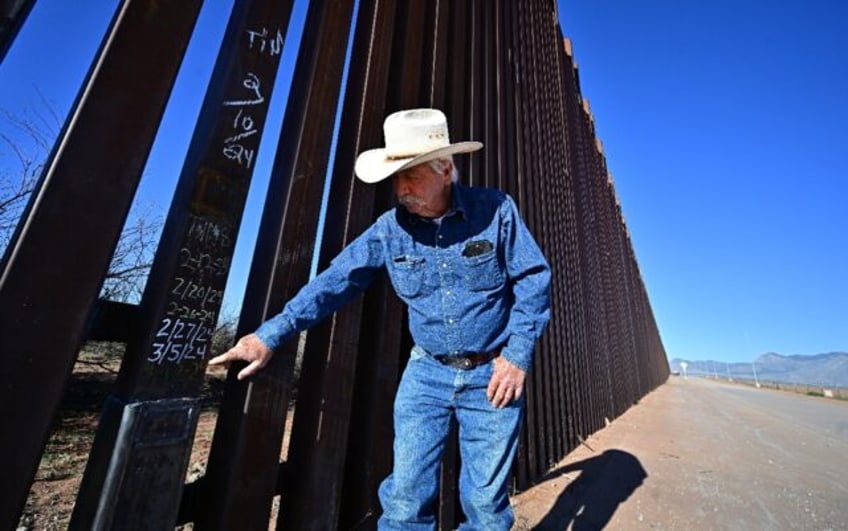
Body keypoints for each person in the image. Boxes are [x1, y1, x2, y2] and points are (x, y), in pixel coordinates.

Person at [210, 108, 551, 530]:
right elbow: (334, 282)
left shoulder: (496, 211)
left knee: (484, 506)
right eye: (397, 176)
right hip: (426, 375)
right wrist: (267, 336)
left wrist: (516, 356)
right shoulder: (389, 231)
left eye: (412, 174)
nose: (402, 188)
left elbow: (533, 277)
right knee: (405, 500)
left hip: (493, 376)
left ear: (445, 168)